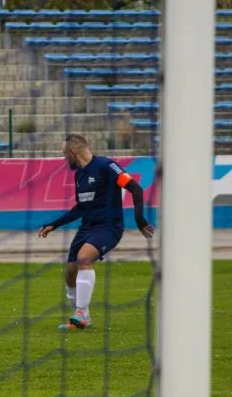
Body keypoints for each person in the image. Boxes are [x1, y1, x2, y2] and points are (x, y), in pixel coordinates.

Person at [38, 134, 154, 330]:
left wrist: (139, 219)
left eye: (64, 154)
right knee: (70, 273)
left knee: (84, 258)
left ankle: (80, 313)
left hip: (109, 227)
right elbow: (81, 207)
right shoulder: (79, 175)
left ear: (73, 152)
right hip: (87, 227)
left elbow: (135, 188)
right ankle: (83, 318)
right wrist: (55, 224)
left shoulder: (106, 166)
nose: (64, 159)